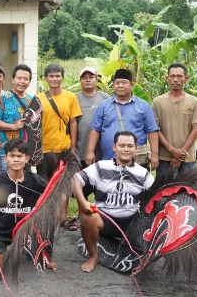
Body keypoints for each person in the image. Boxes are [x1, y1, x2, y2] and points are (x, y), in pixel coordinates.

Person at [73, 131, 154, 274]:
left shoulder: (143, 174)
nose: (126, 149)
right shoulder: (101, 166)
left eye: (130, 146)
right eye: (121, 145)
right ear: (114, 147)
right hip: (105, 220)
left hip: (131, 223)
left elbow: (156, 196)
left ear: (136, 148)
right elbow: (76, 179)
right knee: (87, 217)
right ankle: (93, 256)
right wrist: (83, 203)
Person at [0, 139, 55, 278]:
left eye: (20, 156)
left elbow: (53, 197)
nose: (16, 159)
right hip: (0, 234)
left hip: (27, 234)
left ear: (26, 158)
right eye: (12, 156)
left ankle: (36, 250)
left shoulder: (37, 181)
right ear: (5, 158)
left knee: (44, 264)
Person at [36, 63, 82, 231]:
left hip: (63, 148)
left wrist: (73, 146)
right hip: (44, 148)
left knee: (63, 185)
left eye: (57, 76)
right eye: (51, 76)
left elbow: (73, 121)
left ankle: (63, 218)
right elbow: (35, 124)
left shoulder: (71, 97)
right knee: (45, 184)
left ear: (62, 78)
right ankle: (46, 217)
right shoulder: (39, 98)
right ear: (45, 78)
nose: (54, 79)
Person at [87, 68, 159, 171]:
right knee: (108, 186)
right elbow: (95, 129)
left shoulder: (143, 106)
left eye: (124, 83)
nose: (120, 86)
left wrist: (155, 154)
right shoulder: (103, 106)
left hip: (137, 161)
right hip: (109, 160)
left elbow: (152, 130)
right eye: (117, 83)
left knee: (137, 186)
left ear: (132, 85)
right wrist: (90, 151)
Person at [152, 63, 197, 175]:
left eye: (179, 76)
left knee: (187, 190)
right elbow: (155, 129)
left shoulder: (194, 102)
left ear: (186, 79)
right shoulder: (158, 102)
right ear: (167, 78)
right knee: (164, 189)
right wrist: (172, 150)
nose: (175, 79)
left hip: (187, 157)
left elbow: (195, 130)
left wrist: (181, 153)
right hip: (164, 157)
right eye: (172, 76)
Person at [0, 64, 33, 173]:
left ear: (29, 81)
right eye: (19, 78)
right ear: (13, 80)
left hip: (24, 151)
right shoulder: (2, 97)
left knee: (24, 183)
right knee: (5, 183)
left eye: (26, 79)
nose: (22, 81)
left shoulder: (31, 100)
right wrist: (14, 126)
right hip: (5, 150)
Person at [76, 67, 109, 169]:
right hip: (80, 149)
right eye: (84, 78)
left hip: (102, 150)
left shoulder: (105, 98)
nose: (88, 80)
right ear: (80, 81)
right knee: (83, 182)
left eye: (91, 77)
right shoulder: (74, 98)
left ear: (96, 80)